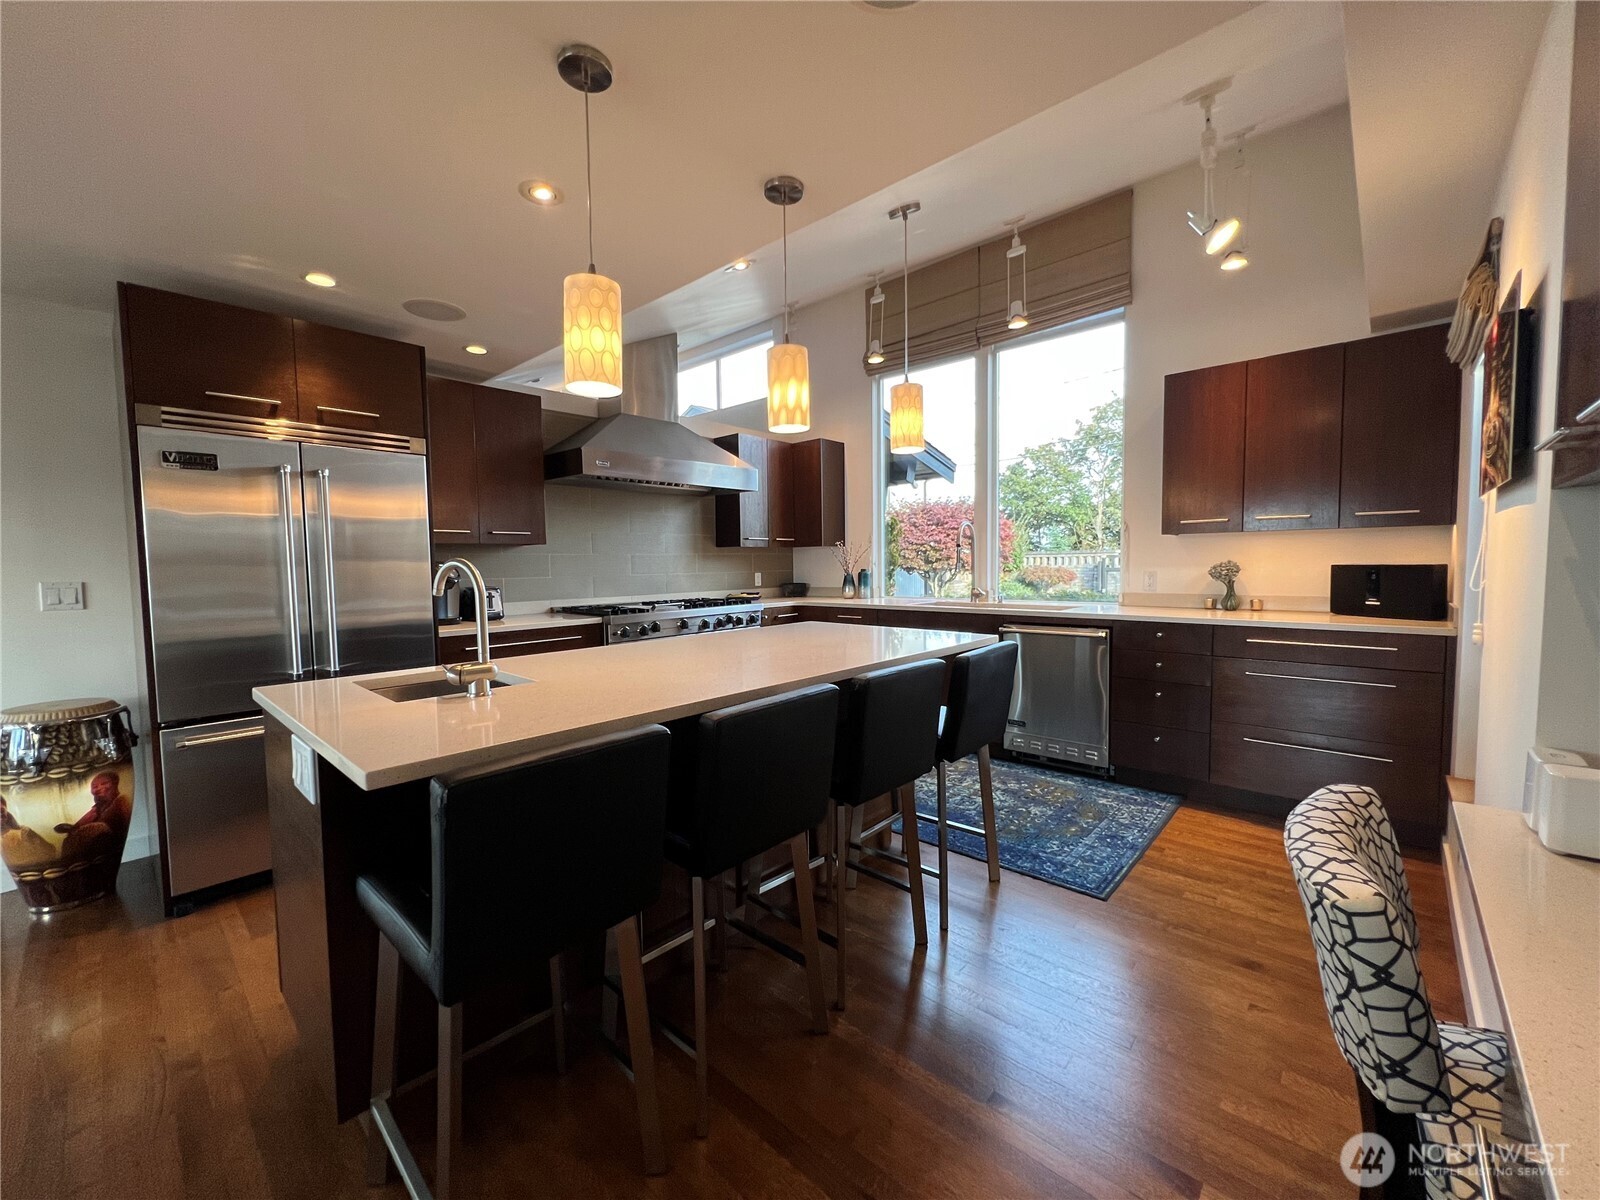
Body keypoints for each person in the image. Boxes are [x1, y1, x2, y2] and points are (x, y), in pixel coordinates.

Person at [55, 771, 133, 862]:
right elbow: (77, 826)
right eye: (95, 787)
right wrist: (73, 828)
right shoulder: (96, 809)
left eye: (104, 783)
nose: (99, 788)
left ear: (114, 784)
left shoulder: (121, 802)